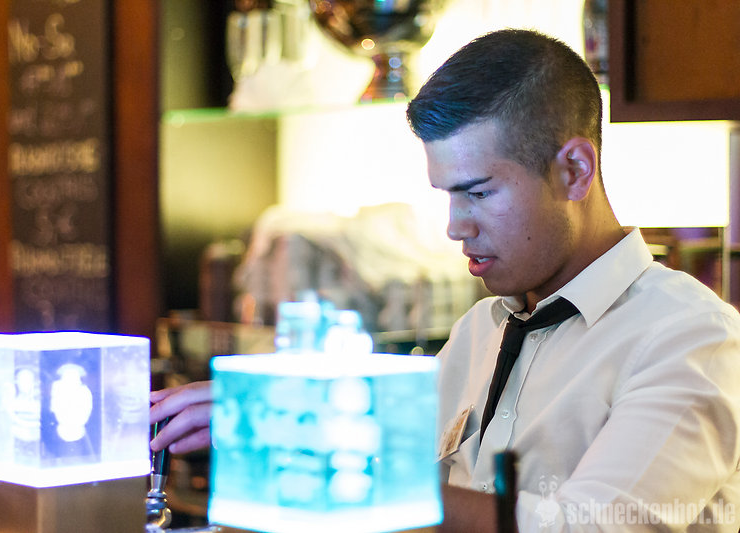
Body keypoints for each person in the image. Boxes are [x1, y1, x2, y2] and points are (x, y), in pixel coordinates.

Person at [151, 29, 740, 531]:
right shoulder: (480, 330)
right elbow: (390, 472)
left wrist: (332, 455)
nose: (456, 227)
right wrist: (281, 419)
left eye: (478, 193)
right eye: (448, 196)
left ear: (575, 170)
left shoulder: (690, 338)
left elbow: (590, 527)